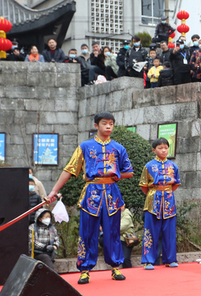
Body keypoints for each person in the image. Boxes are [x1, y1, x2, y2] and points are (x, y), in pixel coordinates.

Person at [45, 112, 134, 285]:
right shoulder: (85, 146)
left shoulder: (118, 148)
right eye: (104, 123)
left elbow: (129, 172)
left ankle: (115, 267)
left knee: (113, 232)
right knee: (87, 233)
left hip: (112, 193)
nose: (108, 126)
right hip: (91, 193)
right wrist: (53, 191)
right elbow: (69, 169)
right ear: (96, 125)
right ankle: (85, 269)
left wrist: (116, 176)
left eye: (111, 124)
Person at [139, 138, 180, 269]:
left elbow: (175, 184)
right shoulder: (148, 166)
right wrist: (153, 194)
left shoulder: (173, 166)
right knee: (150, 231)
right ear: (154, 150)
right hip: (153, 200)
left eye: (166, 148)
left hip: (169, 200)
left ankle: (170, 259)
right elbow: (144, 186)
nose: (163, 150)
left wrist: (166, 192)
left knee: (169, 231)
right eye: (160, 148)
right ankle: (148, 260)